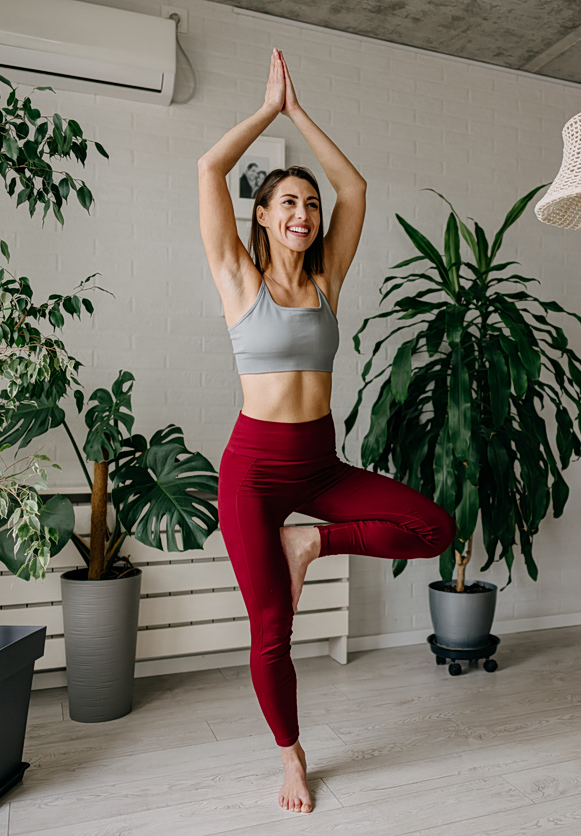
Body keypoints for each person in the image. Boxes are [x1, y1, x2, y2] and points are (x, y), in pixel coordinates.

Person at [197, 49, 456, 814]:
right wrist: (268, 112)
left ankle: (311, 542)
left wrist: (303, 114)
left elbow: (357, 187)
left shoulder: (326, 279)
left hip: (318, 464)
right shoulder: (238, 278)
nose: (305, 213)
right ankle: (292, 756)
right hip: (251, 471)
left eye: (308, 204)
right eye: (288, 204)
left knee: (431, 527)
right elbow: (210, 168)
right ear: (264, 217)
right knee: (272, 628)